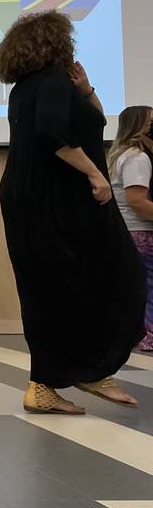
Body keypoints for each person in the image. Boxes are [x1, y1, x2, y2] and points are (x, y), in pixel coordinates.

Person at [0, 10, 142, 413]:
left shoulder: (30, 86)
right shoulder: (52, 83)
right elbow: (53, 134)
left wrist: (87, 89)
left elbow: (90, 124)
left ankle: (50, 383)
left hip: (34, 199)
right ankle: (85, 371)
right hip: (58, 200)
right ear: (53, 44)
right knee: (117, 274)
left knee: (50, 288)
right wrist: (96, 175)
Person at [108, 105, 153, 352]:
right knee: (149, 285)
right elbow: (136, 200)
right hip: (141, 232)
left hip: (127, 231)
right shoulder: (137, 157)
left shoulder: (119, 155)